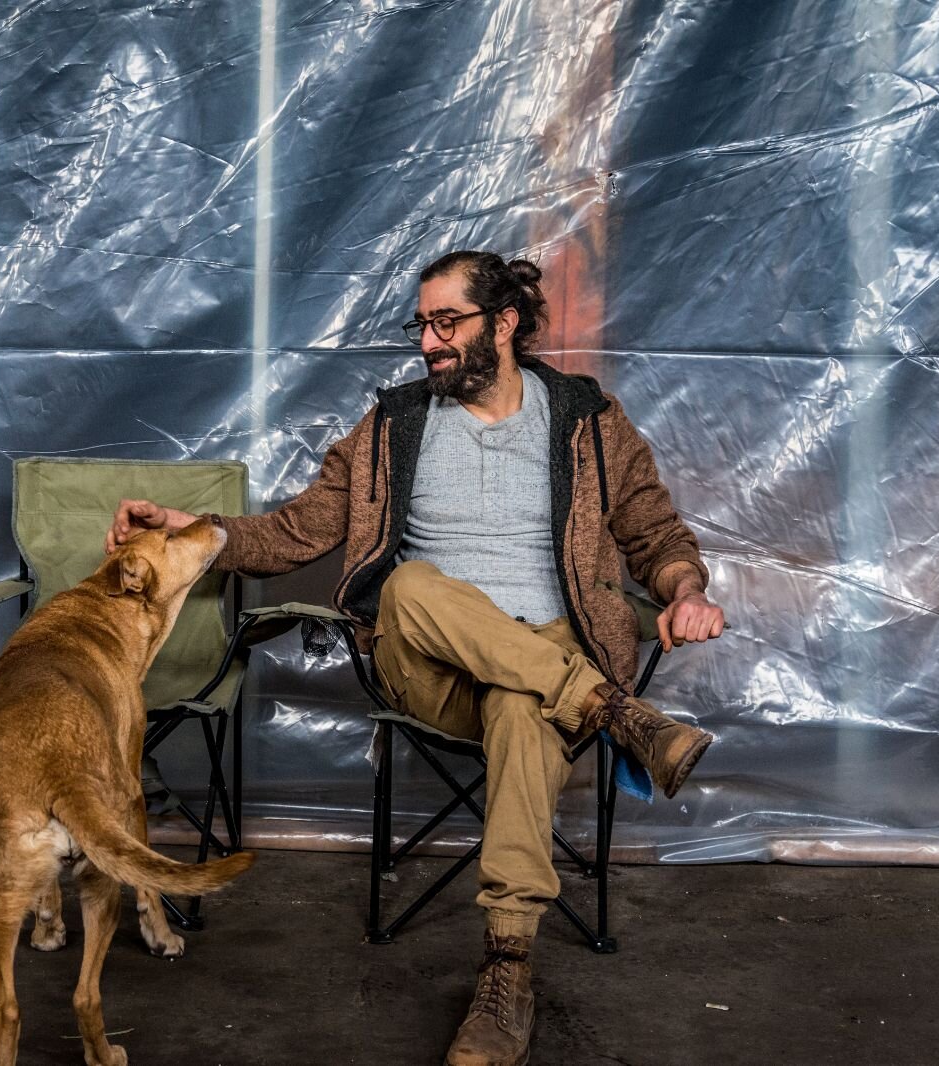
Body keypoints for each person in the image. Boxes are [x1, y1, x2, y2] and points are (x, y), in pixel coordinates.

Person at [107, 249, 726, 1066]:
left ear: (502, 324)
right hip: (430, 669)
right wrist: (193, 531)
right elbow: (296, 531)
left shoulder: (585, 418)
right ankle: (615, 712)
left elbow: (655, 534)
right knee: (411, 588)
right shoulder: (393, 425)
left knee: (520, 701)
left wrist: (682, 589)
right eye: (422, 325)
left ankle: (505, 971)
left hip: (544, 659)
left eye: (447, 323)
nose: (428, 342)